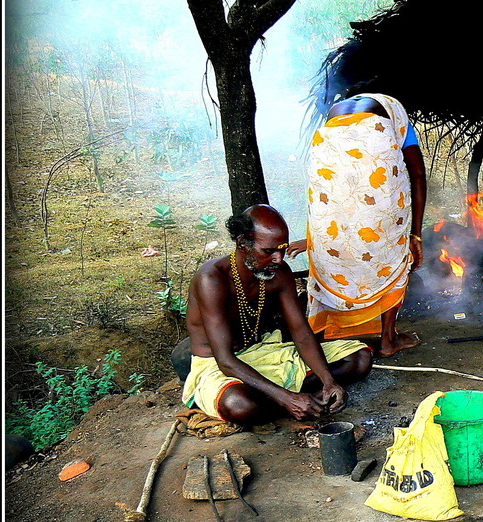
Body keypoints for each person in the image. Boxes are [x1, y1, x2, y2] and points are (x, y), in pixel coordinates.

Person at [182, 205, 373, 426]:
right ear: (243, 243)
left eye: (282, 249)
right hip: (219, 365)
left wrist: (329, 382)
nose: (279, 259)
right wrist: (288, 398)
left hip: (266, 352)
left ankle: (289, 398)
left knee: (359, 359)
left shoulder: (279, 274)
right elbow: (225, 360)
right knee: (240, 405)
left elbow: (301, 333)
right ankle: (292, 398)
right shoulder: (212, 280)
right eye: (269, 251)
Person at [288, 92, 426, 356]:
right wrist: (414, 235)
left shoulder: (336, 112)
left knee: (334, 231)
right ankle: (388, 339)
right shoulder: (394, 112)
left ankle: (319, 339)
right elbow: (417, 173)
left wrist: (314, 239)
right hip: (377, 143)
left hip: (326, 143)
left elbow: (338, 205)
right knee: (390, 250)